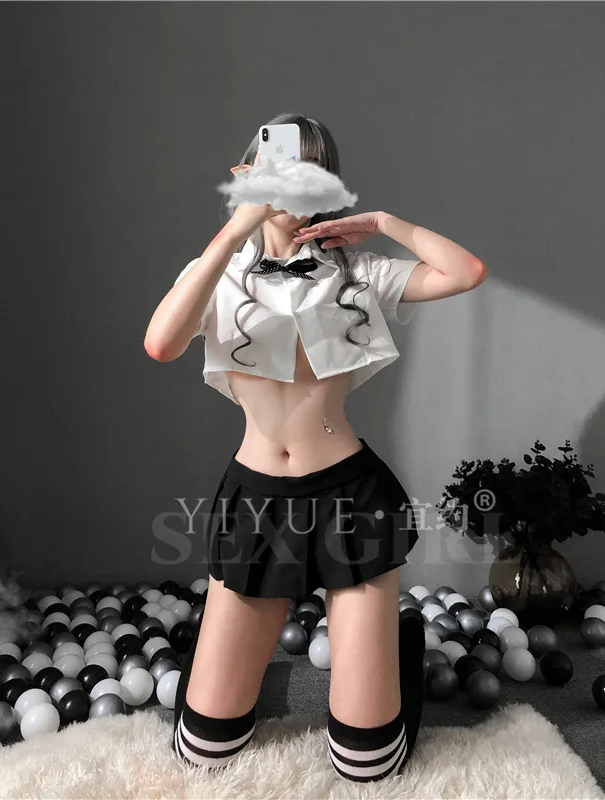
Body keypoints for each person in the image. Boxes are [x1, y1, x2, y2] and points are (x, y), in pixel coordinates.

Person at [144, 113, 488, 782]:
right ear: (249, 172)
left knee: (367, 765)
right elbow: (161, 344)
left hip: (349, 497)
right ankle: (245, 661)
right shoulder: (217, 272)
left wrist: (382, 222)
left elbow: (467, 271)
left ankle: (395, 647)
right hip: (255, 502)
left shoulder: (357, 273)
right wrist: (235, 229)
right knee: (204, 753)